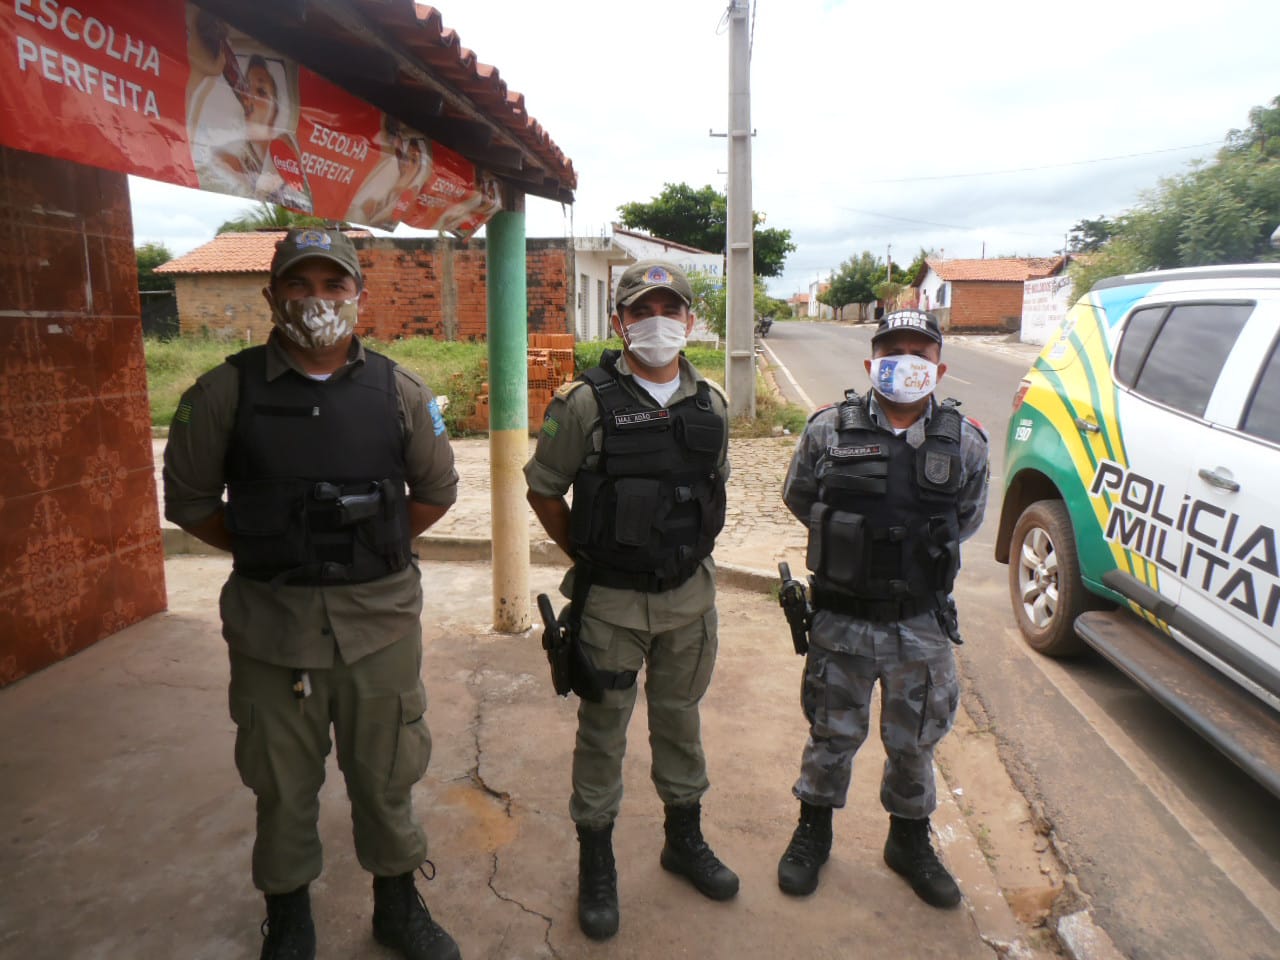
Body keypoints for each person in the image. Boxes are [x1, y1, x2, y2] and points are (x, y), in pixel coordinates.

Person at [163, 228, 461, 960]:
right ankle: (290, 916)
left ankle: (397, 904)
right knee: (281, 784)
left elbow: (435, 492)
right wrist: (272, 547)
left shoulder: (400, 390)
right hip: (273, 630)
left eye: (334, 285)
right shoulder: (223, 393)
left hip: (380, 628)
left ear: (359, 296)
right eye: (300, 284)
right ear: (272, 296)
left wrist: (372, 547)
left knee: (387, 775)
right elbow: (192, 502)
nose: (318, 300)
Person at [524, 259, 739, 941]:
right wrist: (585, 557)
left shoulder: (713, 404)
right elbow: (543, 489)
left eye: (670, 308)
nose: (657, 321)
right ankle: (597, 862)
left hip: (688, 599)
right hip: (612, 603)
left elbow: (714, 486)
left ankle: (683, 840)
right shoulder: (583, 402)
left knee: (681, 722)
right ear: (619, 322)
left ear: (690, 321)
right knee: (603, 733)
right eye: (642, 310)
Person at [775, 309, 989, 908]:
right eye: (893, 352)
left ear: (939, 367)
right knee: (830, 733)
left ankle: (910, 842)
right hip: (842, 618)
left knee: (915, 740)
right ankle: (811, 834)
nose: (907, 364)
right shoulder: (826, 430)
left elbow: (965, 519)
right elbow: (800, 497)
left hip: (919, 624)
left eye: (920, 354)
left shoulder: (965, 441)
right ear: (872, 364)